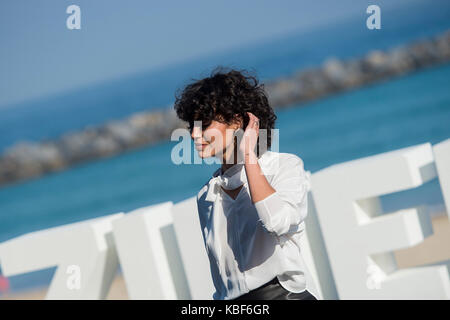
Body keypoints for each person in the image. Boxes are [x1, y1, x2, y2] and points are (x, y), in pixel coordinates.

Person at [174, 66, 319, 300]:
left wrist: (249, 156)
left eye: (204, 123)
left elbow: (277, 222)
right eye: (192, 126)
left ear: (236, 121)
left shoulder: (284, 167)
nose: (193, 134)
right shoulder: (206, 195)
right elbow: (222, 276)